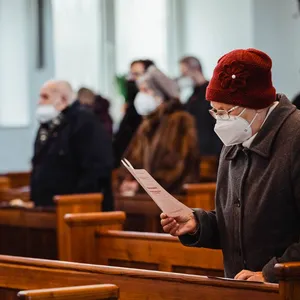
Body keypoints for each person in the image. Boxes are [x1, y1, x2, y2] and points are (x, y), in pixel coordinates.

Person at [161, 48, 300, 283]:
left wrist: (271, 274)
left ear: (257, 104)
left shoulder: (295, 138)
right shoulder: (237, 135)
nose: (221, 121)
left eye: (226, 111)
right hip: (240, 287)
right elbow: (239, 220)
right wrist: (198, 224)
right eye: (216, 111)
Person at [31, 80, 114, 211]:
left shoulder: (85, 121)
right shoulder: (48, 125)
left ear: (63, 99)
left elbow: (96, 169)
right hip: (48, 206)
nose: (39, 102)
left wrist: (76, 203)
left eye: (45, 97)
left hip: (75, 207)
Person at [119, 66, 200, 196]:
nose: (141, 95)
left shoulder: (180, 120)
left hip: (174, 195)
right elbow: (132, 160)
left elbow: (176, 167)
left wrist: (143, 187)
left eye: (146, 90)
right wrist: (128, 180)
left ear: (159, 94)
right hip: (148, 194)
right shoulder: (147, 123)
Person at [113, 59, 155, 168]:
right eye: (131, 74)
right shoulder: (131, 106)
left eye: (136, 74)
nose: (131, 79)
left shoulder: (154, 108)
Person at [178, 56, 222, 157]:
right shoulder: (194, 94)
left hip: (210, 151)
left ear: (196, 69)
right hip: (195, 149)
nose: (183, 77)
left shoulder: (212, 93)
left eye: (184, 73)